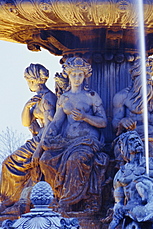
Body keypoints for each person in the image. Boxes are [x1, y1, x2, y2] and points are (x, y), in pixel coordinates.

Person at [37, 57, 109, 212]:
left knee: (75, 160)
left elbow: (103, 122)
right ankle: (55, 197)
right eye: (74, 75)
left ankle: (68, 201)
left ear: (85, 76)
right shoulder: (64, 98)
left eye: (80, 75)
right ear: (68, 75)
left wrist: (85, 117)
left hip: (86, 141)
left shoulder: (91, 96)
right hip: (67, 141)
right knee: (45, 160)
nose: (77, 78)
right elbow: (57, 121)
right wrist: (48, 136)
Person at [0, 63, 56, 213]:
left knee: (9, 164)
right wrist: (26, 107)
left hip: (43, 140)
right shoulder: (39, 97)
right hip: (38, 138)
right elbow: (26, 122)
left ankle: (11, 200)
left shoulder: (48, 98)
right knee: (9, 163)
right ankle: (11, 200)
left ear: (33, 80)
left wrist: (39, 149)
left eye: (27, 80)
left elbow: (50, 127)